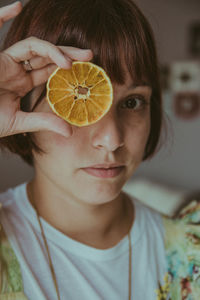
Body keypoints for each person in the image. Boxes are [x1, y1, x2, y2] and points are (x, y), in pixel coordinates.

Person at [0, 1, 199, 300]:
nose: (112, 139)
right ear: (20, 107)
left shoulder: (189, 253)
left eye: (132, 102)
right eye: (76, 102)